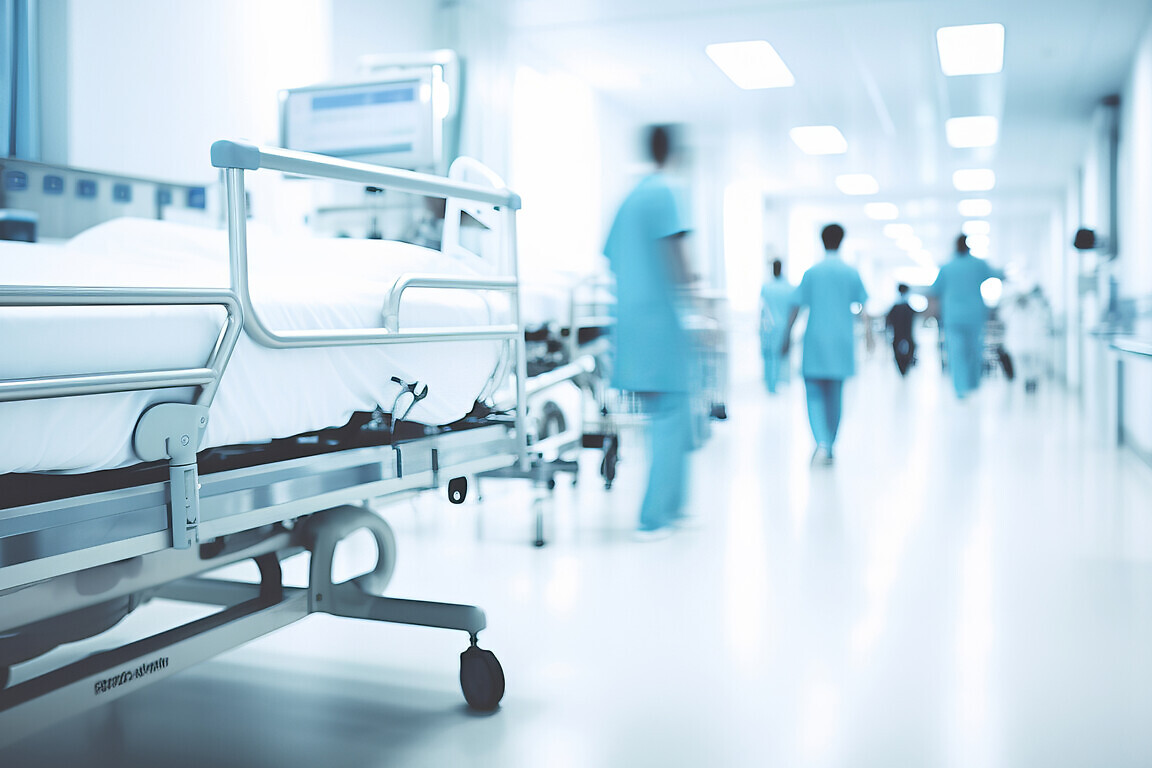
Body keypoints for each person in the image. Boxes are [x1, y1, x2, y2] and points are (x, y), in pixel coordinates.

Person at [603, 125, 695, 539]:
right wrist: (694, 299)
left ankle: (671, 507)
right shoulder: (664, 193)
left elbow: (611, 257)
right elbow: (676, 257)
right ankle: (656, 515)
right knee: (671, 417)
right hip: (659, 324)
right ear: (672, 151)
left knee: (669, 417)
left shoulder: (629, 200)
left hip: (631, 325)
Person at [781, 223, 868, 465]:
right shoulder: (850, 272)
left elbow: (796, 306)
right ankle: (830, 442)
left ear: (822, 241)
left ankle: (821, 442)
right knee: (835, 394)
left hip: (816, 340)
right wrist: (869, 336)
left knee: (815, 394)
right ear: (841, 241)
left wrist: (786, 335)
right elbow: (862, 307)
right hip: (841, 340)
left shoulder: (812, 273)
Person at [928, 235, 1005, 399]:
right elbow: (998, 274)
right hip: (974, 315)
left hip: (953, 317)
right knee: (974, 350)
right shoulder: (978, 265)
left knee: (956, 353)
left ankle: (960, 388)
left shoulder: (947, 267)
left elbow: (935, 292)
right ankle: (973, 384)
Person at [759, 258, 794, 393]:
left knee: (769, 356)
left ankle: (771, 386)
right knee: (780, 356)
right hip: (783, 326)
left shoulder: (767, 288)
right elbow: (794, 309)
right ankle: (779, 383)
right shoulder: (789, 288)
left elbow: (762, 310)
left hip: (768, 328)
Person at [885, 283, 917, 376]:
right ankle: (904, 369)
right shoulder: (908, 308)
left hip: (898, 335)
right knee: (908, 348)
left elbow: (888, 322)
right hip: (906, 335)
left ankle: (902, 369)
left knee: (900, 349)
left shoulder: (895, 308)